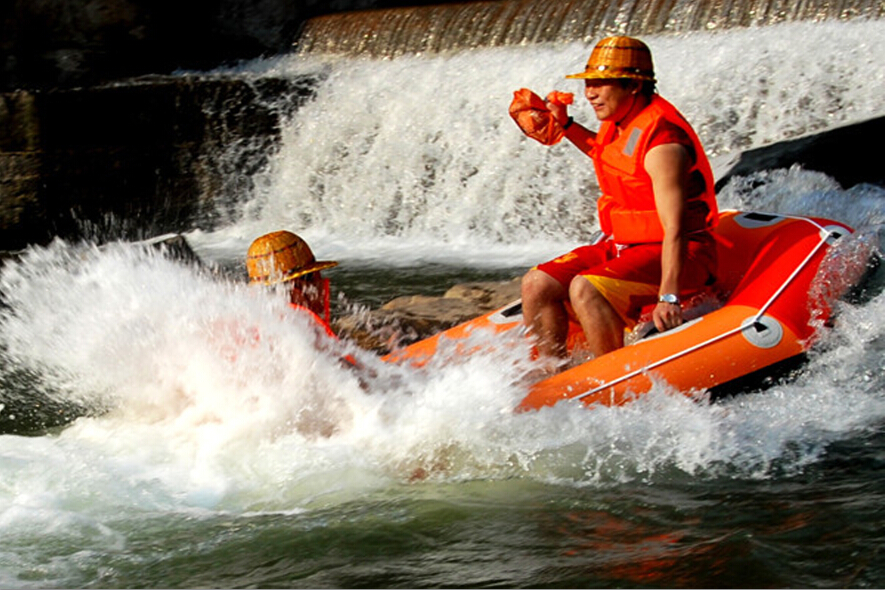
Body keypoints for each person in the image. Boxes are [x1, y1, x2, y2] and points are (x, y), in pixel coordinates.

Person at [515, 36, 719, 365]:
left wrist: (670, 295)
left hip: (686, 255)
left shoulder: (664, 143)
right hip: (628, 246)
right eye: (589, 83)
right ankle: (550, 377)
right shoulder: (620, 122)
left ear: (634, 86)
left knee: (586, 288)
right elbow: (608, 154)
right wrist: (566, 125)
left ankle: (612, 384)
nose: (590, 93)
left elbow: (676, 229)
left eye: (601, 83)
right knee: (536, 283)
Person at [246, 230, 339, 338]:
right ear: (296, 288)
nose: (321, 282)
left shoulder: (249, 327)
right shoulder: (308, 342)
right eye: (317, 275)